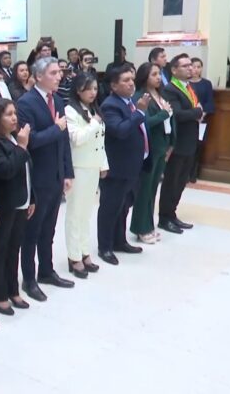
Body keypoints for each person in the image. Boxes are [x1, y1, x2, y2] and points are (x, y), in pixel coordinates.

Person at [16, 58, 75, 302]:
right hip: (37, 176)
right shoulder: (25, 103)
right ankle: (29, 279)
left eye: (59, 72)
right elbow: (30, 141)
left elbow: (64, 139)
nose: (59, 76)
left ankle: (47, 270)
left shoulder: (57, 100)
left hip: (55, 175)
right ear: (38, 76)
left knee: (49, 229)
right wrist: (56, 128)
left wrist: (67, 171)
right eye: (53, 73)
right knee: (32, 231)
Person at [0, 98, 33, 315]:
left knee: (14, 248)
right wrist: (22, 146)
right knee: (0, 249)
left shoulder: (14, 138)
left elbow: (27, 170)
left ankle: (13, 289)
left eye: (15, 113)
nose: (14, 118)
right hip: (4, 205)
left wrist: (32, 198)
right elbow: (5, 170)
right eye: (8, 114)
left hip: (22, 201)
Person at [97, 64, 147, 266]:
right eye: (125, 81)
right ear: (113, 85)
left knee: (123, 207)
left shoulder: (130, 102)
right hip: (116, 167)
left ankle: (119, 241)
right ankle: (105, 247)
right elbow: (119, 130)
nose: (131, 83)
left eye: (132, 79)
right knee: (110, 208)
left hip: (131, 165)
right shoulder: (110, 105)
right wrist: (139, 113)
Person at [64, 73, 107, 277]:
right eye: (88, 88)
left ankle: (84, 251)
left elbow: (100, 140)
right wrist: (94, 123)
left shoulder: (94, 110)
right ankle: (74, 256)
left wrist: (103, 164)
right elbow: (77, 139)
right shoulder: (70, 110)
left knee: (86, 213)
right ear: (78, 89)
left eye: (95, 88)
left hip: (93, 166)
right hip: (78, 167)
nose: (92, 92)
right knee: (75, 214)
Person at [129, 63, 175, 242]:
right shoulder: (141, 97)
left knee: (153, 189)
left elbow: (171, 119)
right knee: (144, 190)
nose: (158, 77)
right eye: (154, 74)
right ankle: (141, 227)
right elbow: (144, 122)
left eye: (159, 74)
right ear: (144, 77)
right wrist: (163, 114)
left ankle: (149, 225)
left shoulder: (161, 95)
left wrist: (171, 143)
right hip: (149, 148)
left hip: (162, 146)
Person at [159, 53, 203, 233]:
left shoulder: (189, 87)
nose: (190, 68)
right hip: (177, 143)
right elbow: (177, 114)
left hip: (190, 141)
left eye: (190, 65)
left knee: (182, 181)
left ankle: (172, 214)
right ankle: (164, 218)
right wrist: (197, 113)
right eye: (185, 66)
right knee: (172, 181)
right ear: (174, 70)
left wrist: (196, 112)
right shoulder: (170, 89)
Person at [188, 57, 214, 182]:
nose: (196, 69)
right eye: (194, 66)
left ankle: (193, 174)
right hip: (188, 119)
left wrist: (201, 115)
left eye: (199, 67)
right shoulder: (185, 84)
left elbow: (209, 102)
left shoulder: (206, 84)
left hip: (202, 121)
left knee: (198, 146)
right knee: (187, 146)